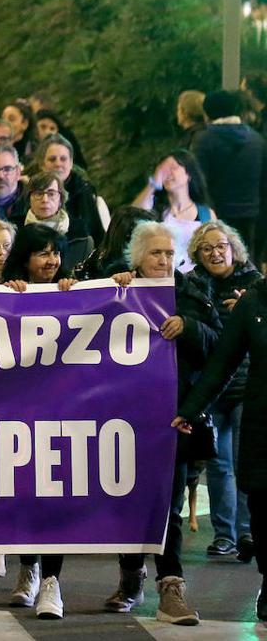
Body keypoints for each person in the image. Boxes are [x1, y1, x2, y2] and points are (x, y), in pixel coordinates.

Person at [102, 221, 206, 625]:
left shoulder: (191, 292)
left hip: (174, 419)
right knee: (131, 501)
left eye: (168, 253)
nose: (163, 260)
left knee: (169, 507)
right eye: (154, 254)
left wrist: (189, 326)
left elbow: (218, 342)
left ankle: (171, 587)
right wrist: (114, 291)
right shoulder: (120, 288)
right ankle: (131, 580)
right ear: (137, 258)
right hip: (126, 420)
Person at [1, 223, 80, 620]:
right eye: (42, 253)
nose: (51, 260)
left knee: (54, 497)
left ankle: (51, 581)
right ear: (25, 257)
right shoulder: (3, 291)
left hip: (61, 414)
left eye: (56, 252)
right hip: (17, 416)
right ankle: (27, 567)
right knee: (24, 497)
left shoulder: (76, 291)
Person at [177, 221, 260, 562]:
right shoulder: (193, 286)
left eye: (221, 246)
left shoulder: (255, 284)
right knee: (219, 464)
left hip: (245, 385)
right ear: (197, 253)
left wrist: (248, 309)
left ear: (233, 248)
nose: (215, 253)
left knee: (244, 462)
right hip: (210, 387)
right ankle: (225, 534)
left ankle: (247, 532)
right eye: (207, 248)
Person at [191, 88, 266, 254]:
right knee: (245, 263)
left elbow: (197, 182)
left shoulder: (203, 140)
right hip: (251, 214)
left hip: (215, 216)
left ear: (208, 113)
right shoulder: (257, 140)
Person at [132, 149, 214, 274]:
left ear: (188, 174)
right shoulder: (156, 210)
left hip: (196, 282)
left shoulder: (205, 214)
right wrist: (154, 183)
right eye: (163, 170)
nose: (167, 174)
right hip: (162, 279)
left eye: (173, 168)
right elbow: (133, 214)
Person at [30, 134, 106, 246]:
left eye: (63, 159)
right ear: (42, 164)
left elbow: (96, 233)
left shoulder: (84, 191)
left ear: (71, 163)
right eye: (52, 159)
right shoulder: (30, 190)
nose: (58, 164)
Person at [18, 171, 91, 274]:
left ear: (60, 199)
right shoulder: (17, 229)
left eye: (51, 194)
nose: (45, 199)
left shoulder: (79, 232)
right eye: (38, 193)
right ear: (29, 198)